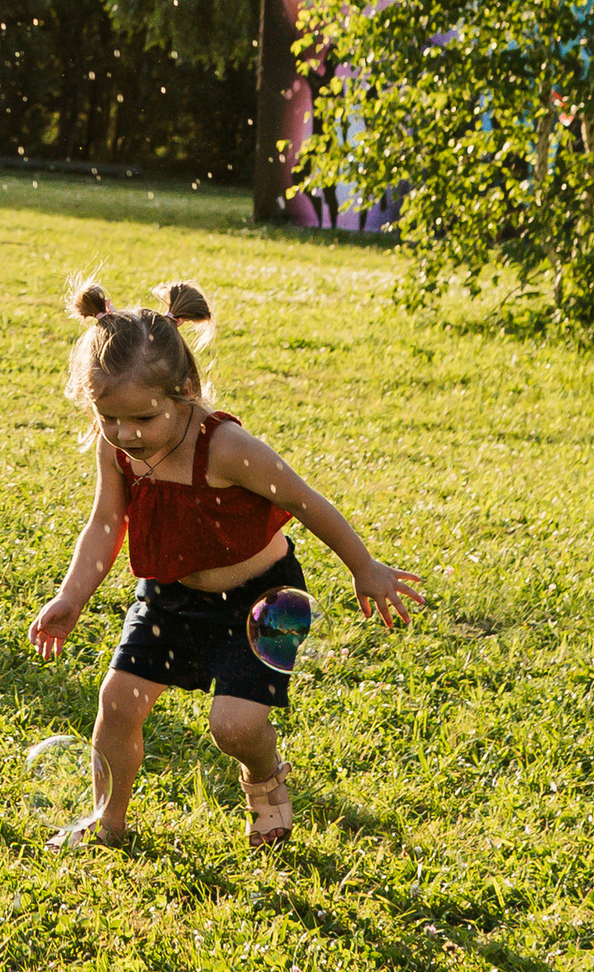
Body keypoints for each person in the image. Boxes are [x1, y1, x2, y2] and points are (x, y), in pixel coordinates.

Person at [28, 277, 426, 850]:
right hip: (170, 597)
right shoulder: (114, 446)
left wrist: (365, 567)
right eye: (110, 419)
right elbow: (105, 524)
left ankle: (265, 777)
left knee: (235, 727)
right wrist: (72, 597)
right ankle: (107, 819)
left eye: (142, 418)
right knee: (117, 703)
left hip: (262, 599)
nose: (126, 434)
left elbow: (304, 501)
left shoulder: (228, 448)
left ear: (185, 389)